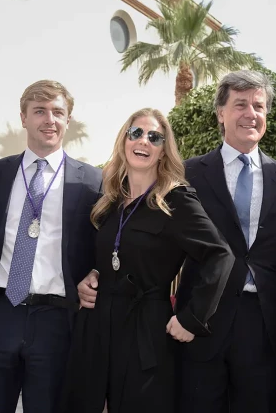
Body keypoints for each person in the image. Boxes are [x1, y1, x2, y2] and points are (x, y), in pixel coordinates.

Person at [65, 108, 234, 413]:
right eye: (136, 133)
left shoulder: (177, 200)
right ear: (124, 141)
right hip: (97, 326)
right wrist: (92, 272)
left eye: (154, 137)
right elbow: (109, 254)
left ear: (162, 151)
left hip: (145, 330)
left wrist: (192, 318)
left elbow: (219, 255)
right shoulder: (109, 199)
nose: (144, 140)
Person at [0, 80, 102, 413]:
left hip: (57, 320)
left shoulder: (93, 181)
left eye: (58, 112)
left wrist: (96, 272)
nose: (49, 120)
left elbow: (107, 243)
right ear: (23, 117)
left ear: (68, 120)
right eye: (39, 111)